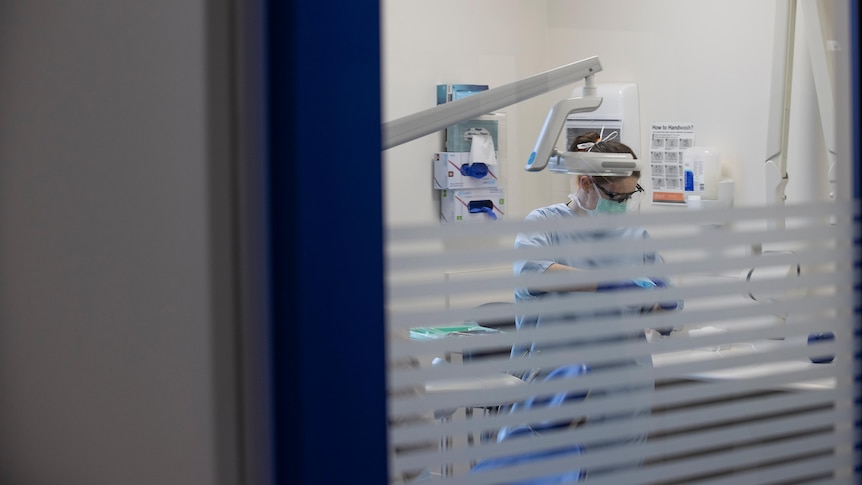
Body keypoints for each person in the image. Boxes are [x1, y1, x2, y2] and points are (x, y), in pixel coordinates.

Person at [508, 138, 683, 479]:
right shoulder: (545, 224)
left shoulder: (636, 236)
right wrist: (608, 282)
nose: (623, 204)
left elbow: (662, 317)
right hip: (554, 385)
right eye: (616, 197)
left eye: (630, 196)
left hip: (624, 390)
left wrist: (664, 301)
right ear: (585, 183)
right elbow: (532, 272)